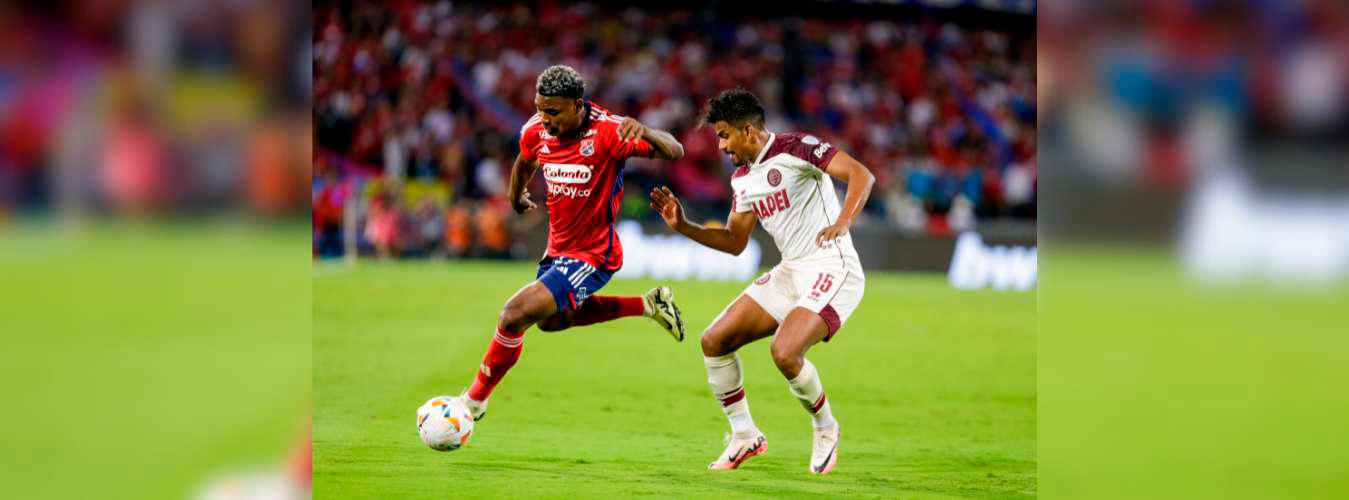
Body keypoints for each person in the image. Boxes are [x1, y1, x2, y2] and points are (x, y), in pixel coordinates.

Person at [649, 88, 874, 474]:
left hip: (832, 267)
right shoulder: (742, 180)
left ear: (748, 131)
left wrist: (843, 221)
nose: (721, 146)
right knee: (714, 340)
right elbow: (735, 242)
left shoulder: (796, 148)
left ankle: (825, 426)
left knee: (784, 351)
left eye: (724, 135)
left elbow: (861, 174)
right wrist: (684, 226)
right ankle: (744, 435)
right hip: (792, 270)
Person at [458, 65, 687, 423]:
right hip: (558, 250)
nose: (545, 119)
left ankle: (473, 402)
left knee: (513, 315)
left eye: (553, 111)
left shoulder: (609, 132)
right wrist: (515, 194)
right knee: (551, 322)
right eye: (540, 109)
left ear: (578, 105)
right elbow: (525, 159)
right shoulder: (536, 129)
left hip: (594, 254)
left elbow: (675, 151)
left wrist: (645, 130)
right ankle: (649, 304)